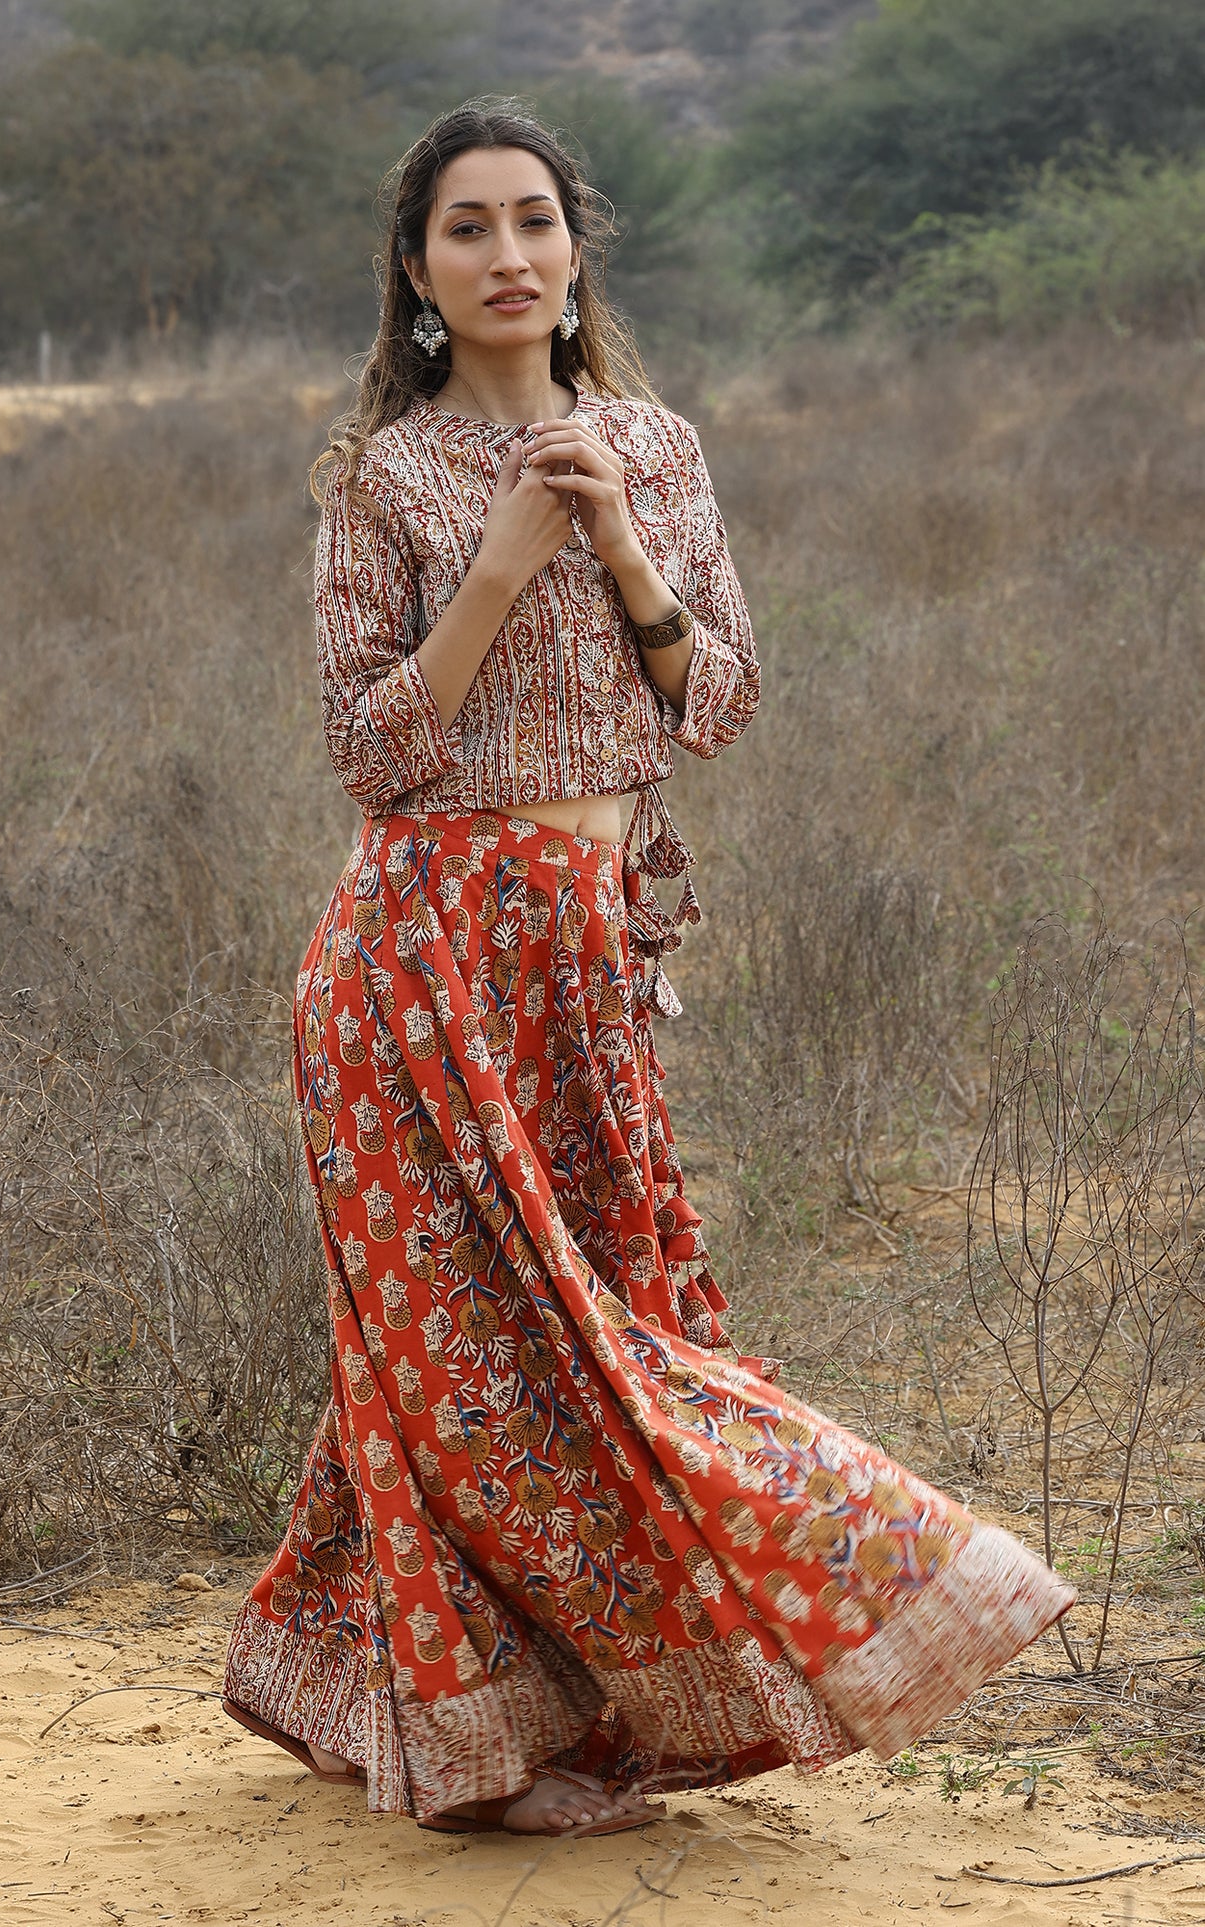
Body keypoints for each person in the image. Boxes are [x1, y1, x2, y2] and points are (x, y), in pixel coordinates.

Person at [221, 97, 1073, 1839]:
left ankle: (536, 1707)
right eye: (467, 229)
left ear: (575, 246)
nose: (507, 254)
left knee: (589, 1336)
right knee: (472, 1359)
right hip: (421, 962)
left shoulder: (661, 449)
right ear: (416, 273)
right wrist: (495, 571)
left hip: (584, 965)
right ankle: (485, 1751)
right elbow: (371, 757)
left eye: (533, 220)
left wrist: (612, 541)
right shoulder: (381, 480)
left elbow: (726, 704)